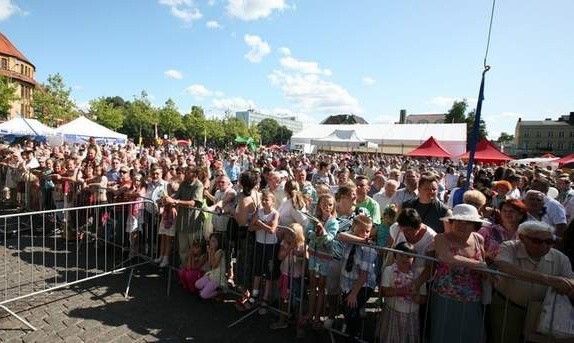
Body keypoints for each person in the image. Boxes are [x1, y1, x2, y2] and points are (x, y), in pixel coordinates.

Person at [491, 221, 574, 343]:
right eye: (537, 241)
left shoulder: (560, 257)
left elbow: (570, 280)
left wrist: (567, 285)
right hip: (509, 307)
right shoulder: (509, 247)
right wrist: (549, 280)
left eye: (549, 242)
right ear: (522, 238)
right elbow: (505, 267)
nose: (544, 245)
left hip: (542, 312)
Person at [430, 204, 489, 343]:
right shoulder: (441, 238)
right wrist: (479, 265)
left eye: (467, 222)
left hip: (473, 298)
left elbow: (483, 264)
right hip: (446, 296)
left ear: (475, 224)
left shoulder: (478, 239)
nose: (462, 225)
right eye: (458, 221)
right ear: (452, 222)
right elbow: (447, 257)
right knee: (445, 334)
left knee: (470, 334)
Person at [336, 214, 378, 340]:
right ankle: (350, 331)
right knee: (347, 310)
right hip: (347, 282)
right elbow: (340, 235)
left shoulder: (368, 250)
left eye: (367, 231)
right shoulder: (350, 237)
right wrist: (361, 240)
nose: (364, 233)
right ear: (353, 227)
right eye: (361, 230)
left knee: (351, 310)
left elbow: (364, 275)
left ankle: (354, 335)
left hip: (362, 285)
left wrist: (354, 293)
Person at [377, 242, 426, 343]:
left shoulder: (419, 275)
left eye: (409, 256)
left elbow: (424, 298)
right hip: (392, 312)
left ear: (414, 259)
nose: (405, 259)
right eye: (401, 255)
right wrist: (403, 291)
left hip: (411, 315)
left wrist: (417, 298)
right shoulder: (389, 271)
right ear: (395, 256)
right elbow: (385, 292)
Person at [305, 194, 339, 329]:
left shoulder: (333, 221)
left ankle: (318, 316)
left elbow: (329, 238)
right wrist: (316, 235)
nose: (327, 207)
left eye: (330, 204)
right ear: (319, 204)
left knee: (322, 288)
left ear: (333, 206)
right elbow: (308, 232)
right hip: (313, 255)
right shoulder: (315, 218)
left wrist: (320, 232)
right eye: (324, 204)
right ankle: (310, 313)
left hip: (325, 258)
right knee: (312, 287)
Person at [246, 190, 280, 314]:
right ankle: (254, 295)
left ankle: (265, 298)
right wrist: (263, 225)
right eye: (263, 200)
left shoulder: (275, 213)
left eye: (267, 200)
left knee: (269, 272)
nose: (265, 202)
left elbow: (272, 230)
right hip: (260, 244)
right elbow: (250, 227)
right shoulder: (259, 212)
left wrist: (259, 223)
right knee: (258, 270)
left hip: (271, 245)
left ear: (273, 202)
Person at [164, 166, 204, 265]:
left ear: (194, 174)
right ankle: (184, 270)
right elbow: (176, 196)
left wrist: (175, 201)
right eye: (185, 171)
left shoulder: (199, 185)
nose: (185, 173)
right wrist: (167, 199)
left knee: (195, 249)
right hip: (182, 222)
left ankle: (193, 273)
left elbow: (193, 202)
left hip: (193, 223)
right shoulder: (183, 184)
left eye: (187, 172)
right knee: (183, 249)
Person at [270, 223, 306, 330]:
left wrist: (297, 251)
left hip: (296, 278)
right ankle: (282, 320)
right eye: (287, 233)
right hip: (285, 275)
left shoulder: (302, 246)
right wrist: (289, 248)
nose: (287, 236)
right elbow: (280, 257)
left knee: (296, 302)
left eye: (291, 234)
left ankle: (298, 324)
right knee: (283, 299)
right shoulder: (284, 243)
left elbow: (303, 258)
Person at [195, 233, 227, 299]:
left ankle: (219, 292)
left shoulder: (220, 252)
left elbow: (214, 265)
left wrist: (211, 252)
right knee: (197, 284)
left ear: (219, 242)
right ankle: (209, 288)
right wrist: (210, 252)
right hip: (212, 275)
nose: (211, 243)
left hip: (218, 278)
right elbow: (210, 264)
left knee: (203, 295)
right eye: (210, 241)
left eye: (213, 241)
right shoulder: (213, 251)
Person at [155, 182, 178, 267]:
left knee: (168, 239)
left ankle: (166, 258)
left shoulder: (175, 198)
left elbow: (173, 204)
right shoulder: (166, 196)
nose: (168, 190)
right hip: (164, 218)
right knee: (163, 238)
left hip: (171, 220)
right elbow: (159, 202)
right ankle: (161, 255)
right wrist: (161, 200)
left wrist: (166, 200)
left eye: (170, 188)